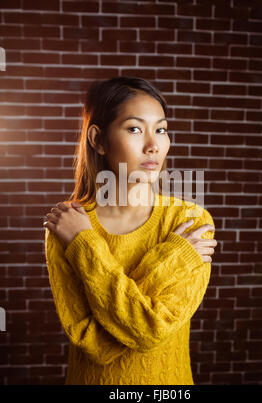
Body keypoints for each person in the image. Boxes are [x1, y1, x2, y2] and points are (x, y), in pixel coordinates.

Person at [43, 76, 217, 385]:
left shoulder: (190, 220)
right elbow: (87, 338)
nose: (153, 145)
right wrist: (176, 257)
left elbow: (153, 330)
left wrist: (84, 246)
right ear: (97, 139)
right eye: (135, 129)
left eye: (161, 130)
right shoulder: (68, 226)